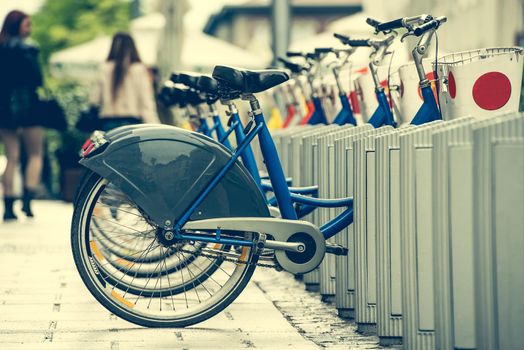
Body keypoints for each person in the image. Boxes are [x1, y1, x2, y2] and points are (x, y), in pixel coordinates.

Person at [0, 10, 44, 221]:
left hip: (5, 109)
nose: (30, 29)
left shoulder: (1, 48)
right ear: (18, 26)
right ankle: (27, 201)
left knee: (12, 156)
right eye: (27, 25)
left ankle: (8, 206)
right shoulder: (30, 49)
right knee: (35, 154)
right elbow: (38, 80)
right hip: (30, 108)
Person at [90, 32, 160, 131]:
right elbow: (146, 102)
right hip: (132, 123)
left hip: (108, 122)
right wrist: (155, 127)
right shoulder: (139, 69)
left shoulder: (104, 68)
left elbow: (94, 99)